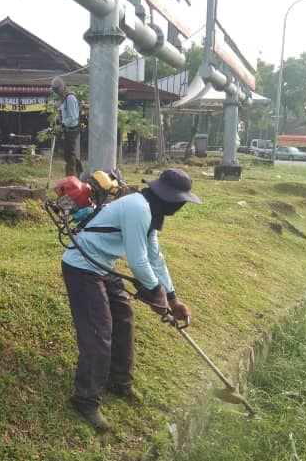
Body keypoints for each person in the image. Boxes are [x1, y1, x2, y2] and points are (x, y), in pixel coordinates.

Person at [61, 168, 201, 431]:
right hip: (82, 266)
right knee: (99, 331)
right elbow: (137, 262)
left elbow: (154, 257)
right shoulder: (139, 208)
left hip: (103, 266)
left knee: (124, 318)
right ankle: (86, 399)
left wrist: (172, 297)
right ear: (169, 198)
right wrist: (157, 294)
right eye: (181, 201)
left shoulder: (151, 210)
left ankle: (120, 382)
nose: (181, 206)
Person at [50, 76, 82, 176]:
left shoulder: (70, 98)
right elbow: (65, 112)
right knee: (70, 157)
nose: (56, 93)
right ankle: (78, 179)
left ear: (62, 88)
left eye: (57, 91)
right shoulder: (64, 99)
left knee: (71, 158)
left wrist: (61, 125)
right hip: (68, 132)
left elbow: (73, 118)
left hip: (72, 132)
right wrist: (58, 115)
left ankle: (72, 182)